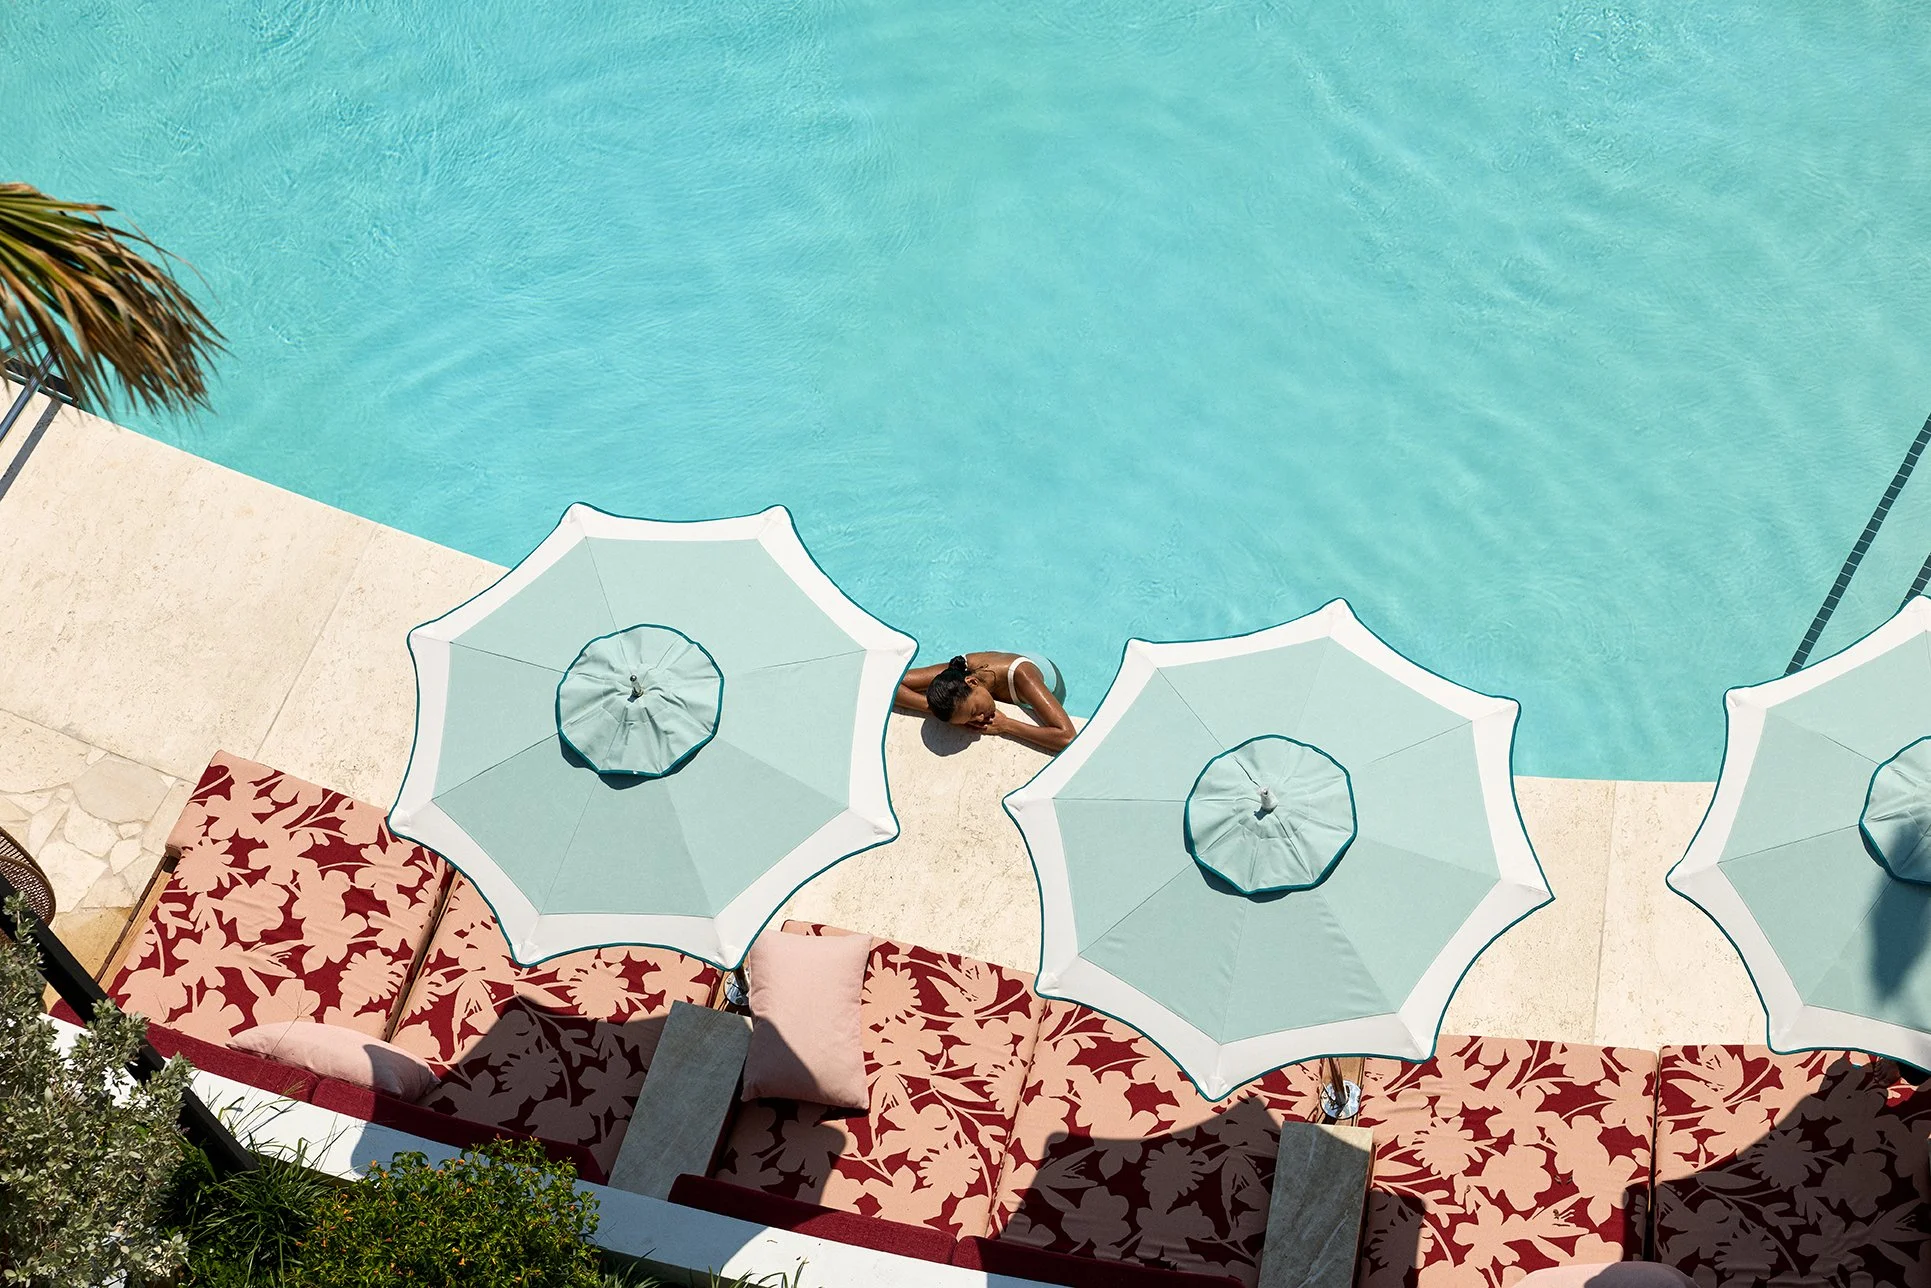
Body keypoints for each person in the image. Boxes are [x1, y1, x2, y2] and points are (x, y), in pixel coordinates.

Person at [896, 652, 1076, 754]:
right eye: (970, 719)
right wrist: (934, 707)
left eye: (975, 711)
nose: (981, 718)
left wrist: (1007, 725)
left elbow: (1067, 738)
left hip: (1051, 682)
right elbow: (890, 684)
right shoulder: (956, 672)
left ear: (972, 682)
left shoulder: (1023, 677)